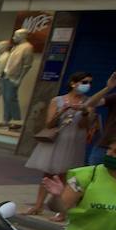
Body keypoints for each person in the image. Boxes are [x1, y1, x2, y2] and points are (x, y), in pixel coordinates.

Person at [24, 72, 96, 221]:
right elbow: (49, 123)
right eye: (84, 82)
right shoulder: (57, 100)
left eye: (89, 82)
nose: (86, 85)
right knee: (48, 173)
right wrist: (64, 110)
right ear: (73, 83)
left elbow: (86, 126)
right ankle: (38, 205)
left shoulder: (89, 102)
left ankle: (62, 210)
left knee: (67, 176)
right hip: (58, 139)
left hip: (75, 140)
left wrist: (84, 113)